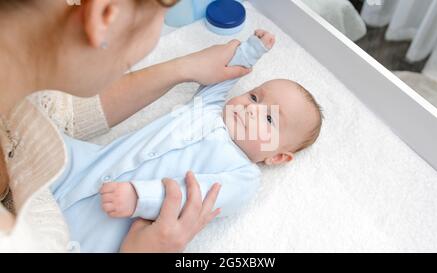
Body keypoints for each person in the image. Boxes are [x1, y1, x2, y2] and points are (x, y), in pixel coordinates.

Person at [0, 0, 254, 252]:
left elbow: (60, 113)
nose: (253, 110)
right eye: (166, 14)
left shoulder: (21, 98)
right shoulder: (17, 242)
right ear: (105, 14)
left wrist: (184, 68)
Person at [50, 30, 323, 252]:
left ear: (277, 157)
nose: (252, 109)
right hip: (88, 165)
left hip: (115, 213)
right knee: (50, 145)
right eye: (254, 97)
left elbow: (195, 197)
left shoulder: (244, 177)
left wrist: (140, 197)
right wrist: (251, 51)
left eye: (269, 119)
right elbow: (223, 77)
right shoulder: (208, 108)